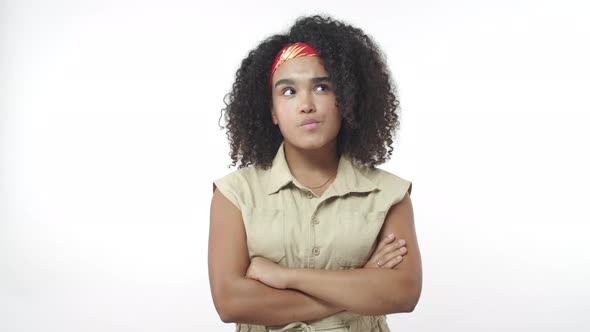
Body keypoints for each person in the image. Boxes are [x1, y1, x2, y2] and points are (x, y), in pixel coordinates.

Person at [209, 15, 422, 332]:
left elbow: (403, 294)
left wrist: (286, 277)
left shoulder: (388, 194)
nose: (306, 104)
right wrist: (361, 282)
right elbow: (231, 303)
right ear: (271, 110)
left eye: (322, 87)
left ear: (346, 100)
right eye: (288, 92)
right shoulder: (235, 194)